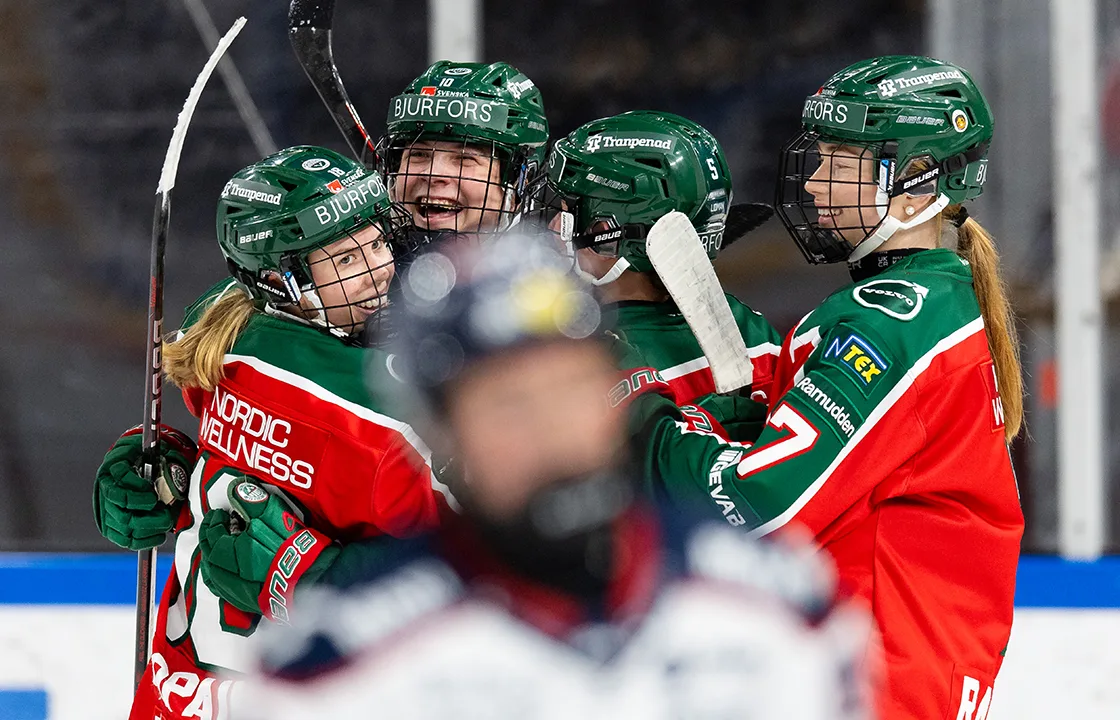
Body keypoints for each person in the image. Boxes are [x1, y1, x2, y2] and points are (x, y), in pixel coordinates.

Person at [221, 235, 872, 719]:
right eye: (508, 405)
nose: (551, 432)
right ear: (443, 434)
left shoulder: (780, 608)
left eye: (572, 389)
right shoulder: (339, 665)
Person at [628, 56, 1024, 718]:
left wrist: (648, 423)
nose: (813, 182)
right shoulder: (929, 303)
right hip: (904, 670)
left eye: (840, 162)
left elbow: (756, 508)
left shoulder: (895, 321)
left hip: (878, 681)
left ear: (917, 186)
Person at [94, 146, 448, 720]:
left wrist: (173, 474)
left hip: (179, 692)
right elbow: (487, 581)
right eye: (343, 261)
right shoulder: (383, 417)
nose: (377, 272)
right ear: (280, 282)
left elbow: (254, 466)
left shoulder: (221, 336)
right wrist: (308, 573)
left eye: (377, 243)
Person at [526, 110, 781, 437]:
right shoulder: (753, 329)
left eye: (565, 212)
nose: (551, 227)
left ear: (607, 233)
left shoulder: (577, 360)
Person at [379, 60, 549, 235]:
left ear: (522, 181)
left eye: (465, 158)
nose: (432, 174)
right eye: (419, 154)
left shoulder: (552, 262)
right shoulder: (365, 259)